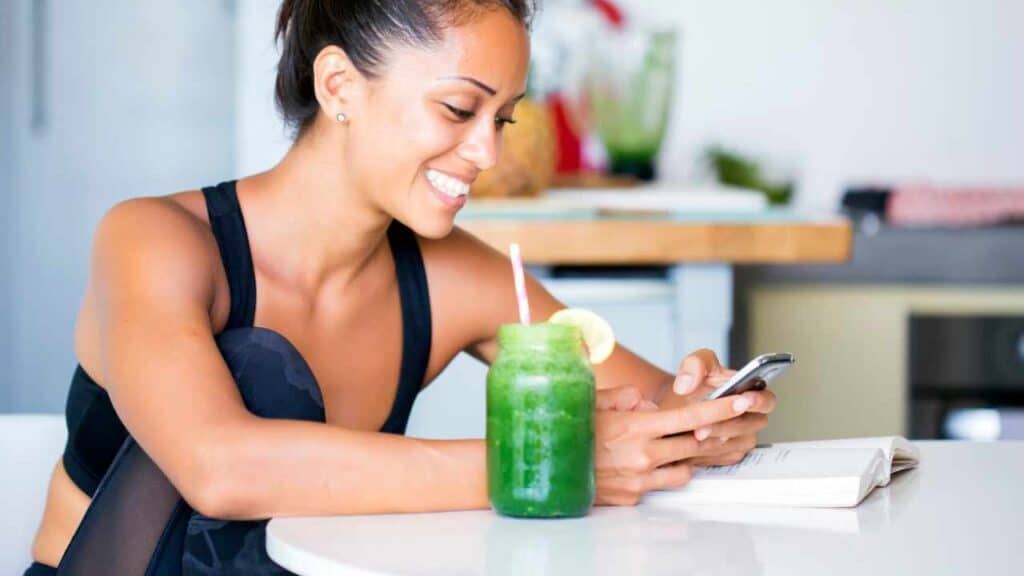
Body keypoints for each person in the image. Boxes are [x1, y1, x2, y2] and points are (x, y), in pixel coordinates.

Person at [26, 0, 776, 573]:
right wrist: (553, 467)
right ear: (339, 86)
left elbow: (656, 415)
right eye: (459, 108)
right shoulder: (156, 240)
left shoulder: (462, 278)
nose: (486, 151)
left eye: (504, 120)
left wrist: (708, 412)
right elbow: (219, 467)